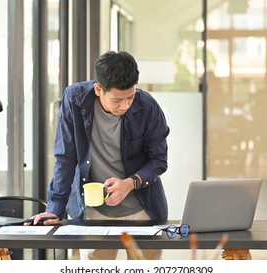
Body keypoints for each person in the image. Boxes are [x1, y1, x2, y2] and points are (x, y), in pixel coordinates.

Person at [26, 50, 170, 260]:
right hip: (94, 211)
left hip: (142, 209)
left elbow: (159, 160)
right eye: (118, 100)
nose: (126, 105)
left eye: (130, 96)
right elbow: (66, 157)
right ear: (98, 89)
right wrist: (55, 208)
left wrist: (129, 184)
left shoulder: (147, 106)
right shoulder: (75, 99)